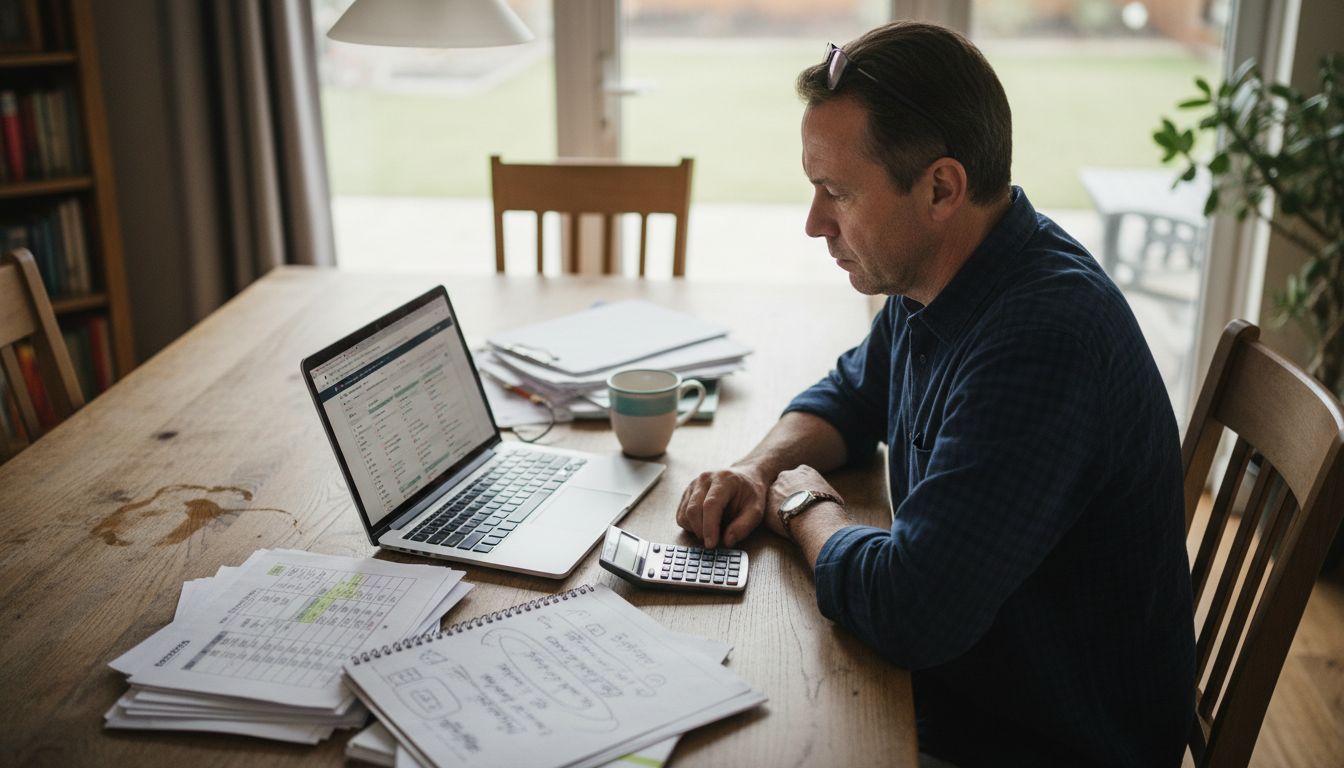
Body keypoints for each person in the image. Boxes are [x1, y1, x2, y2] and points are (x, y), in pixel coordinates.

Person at [675, 21, 1195, 767]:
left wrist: (802, 507)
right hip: (973, 686)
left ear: (941, 188)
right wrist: (758, 470)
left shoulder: (1040, 341)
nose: (815, 223)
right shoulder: (945, 273)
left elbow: (910, 611)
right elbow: (853, 393)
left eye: (836, 193)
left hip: (1043, 739)